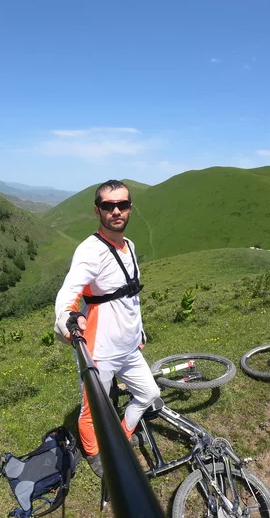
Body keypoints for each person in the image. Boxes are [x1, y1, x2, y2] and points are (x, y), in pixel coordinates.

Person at [54, 180, 160, 478]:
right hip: (99, 351)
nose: (116, 211)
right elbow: (69, 292)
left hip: (128, 346)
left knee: (149, 393)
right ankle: (95, 454)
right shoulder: (90, 251)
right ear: (97, 210)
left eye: (122, 205)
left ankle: (123, 435)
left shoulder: (130, 246)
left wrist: (139, 333)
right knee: (92, 411)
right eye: (108, 206)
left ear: (130, 208)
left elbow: (131, 296)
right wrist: (68, 317)